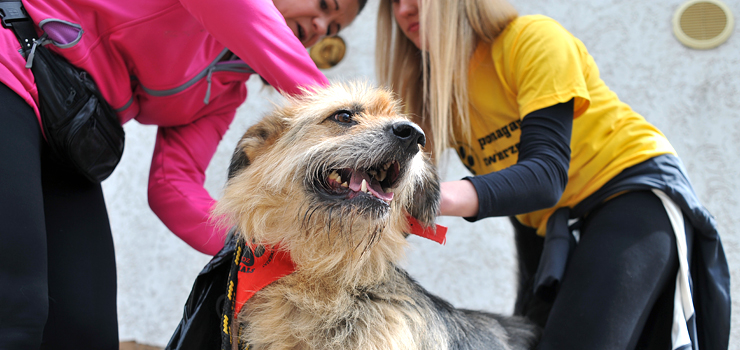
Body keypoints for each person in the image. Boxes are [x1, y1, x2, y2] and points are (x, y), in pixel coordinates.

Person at [0, 0, 366, 348]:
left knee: (86, 333)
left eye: (333, 27)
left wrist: (268, 249)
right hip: (10, 69)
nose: (320, 27)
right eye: (324, 4)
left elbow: (171, 184)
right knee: (16, 308)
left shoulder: (225, 92)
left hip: (63, 137)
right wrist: (347, 122)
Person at [376, 0, 730, 349]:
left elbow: (545, 176)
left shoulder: (533, 39)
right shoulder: (435, 86)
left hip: (630, 195)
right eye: (393, 1)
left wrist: (435, 198)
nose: (405, 9)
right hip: (545, 228)